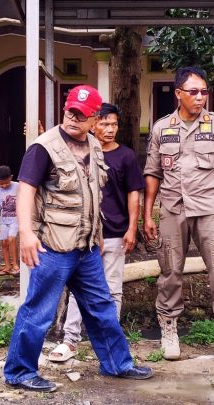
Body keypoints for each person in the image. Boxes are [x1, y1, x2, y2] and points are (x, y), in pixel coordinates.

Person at [3, 85, 153, 392]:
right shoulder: (44, 147)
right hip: (54, 247)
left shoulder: (96, 146)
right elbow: (26, 191)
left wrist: (96, 234)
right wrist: (27, 235)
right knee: (39, 311)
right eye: (71, 111)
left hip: (86, 248)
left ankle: (117, 364)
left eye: (82, 115)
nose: (74, 118)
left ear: (94, 119)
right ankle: (19, 372)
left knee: (102, 307)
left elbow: (93, 195)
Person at [143, 66, 214, 364]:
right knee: (170, 273)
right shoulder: (162, 128)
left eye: (204, 92)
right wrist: (148, 215)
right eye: (193, 92)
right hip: (173, 211)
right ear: (178, 94)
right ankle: (169, 328)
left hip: (211, 211)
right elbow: (152, 174)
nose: (200, 97)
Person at [49, 103, 145, 362]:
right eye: (104, 123)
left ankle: (108, 343)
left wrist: (131, 228)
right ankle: (70, 340)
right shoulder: (81, 152)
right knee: (80, 289)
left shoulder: (125, 156)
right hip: (84, 234)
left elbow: (133, 193)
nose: (110, 129)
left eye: (114, 124)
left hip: (115, 232)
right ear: (92, 123)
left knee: (113, 290)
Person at [0, 165, 20, 276]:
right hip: (3, 220)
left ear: (11, 177)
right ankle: (7, 266)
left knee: (12, 239)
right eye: (0, 183)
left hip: (16, 219)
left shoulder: (18, 186)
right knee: (4, 242)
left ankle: (15, 265)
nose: (3, 185)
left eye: (6, 183)